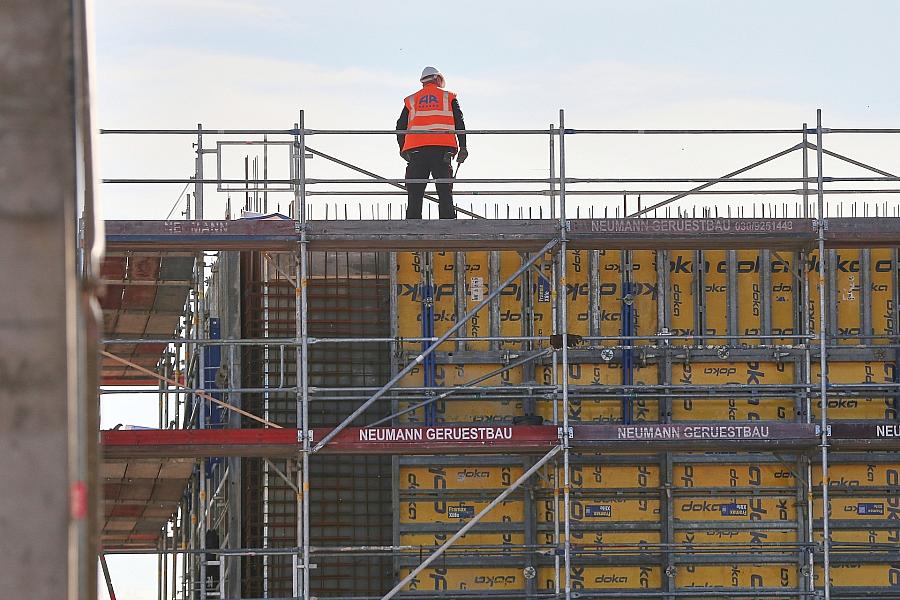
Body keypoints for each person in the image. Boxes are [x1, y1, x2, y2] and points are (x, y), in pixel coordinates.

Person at [396, 66, 468, 219]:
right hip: (442, 150)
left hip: (416, 151)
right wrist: (463, 146)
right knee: (444, 190)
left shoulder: (412, 100)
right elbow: (459, 122)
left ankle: (413, 228)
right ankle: (447, 226)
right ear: (438, 79)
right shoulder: (448, 97)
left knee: (415, 192)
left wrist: (403, 148)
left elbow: (400, 126)